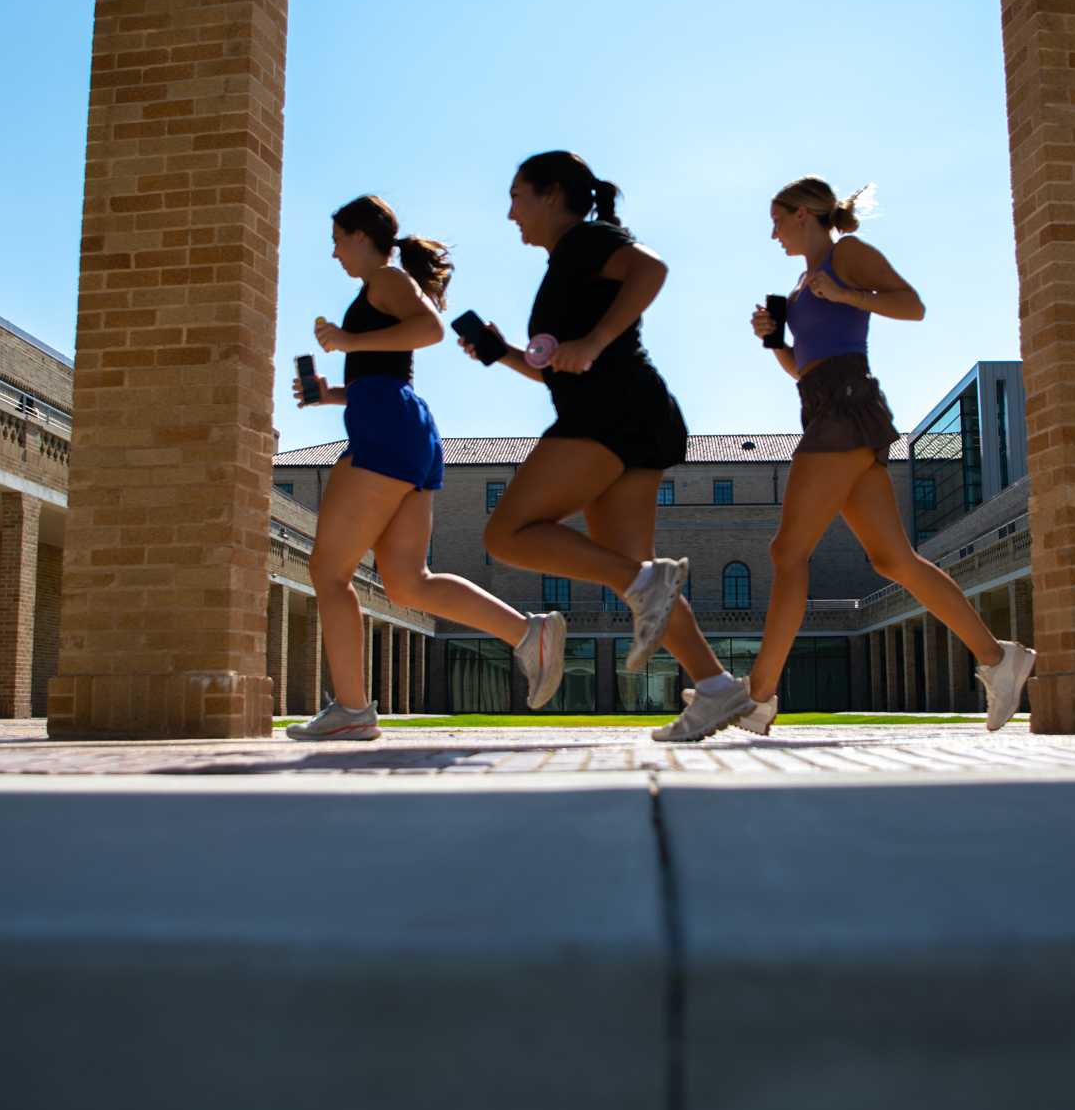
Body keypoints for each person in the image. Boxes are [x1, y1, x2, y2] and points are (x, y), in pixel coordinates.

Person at [462, 151, 756, 742]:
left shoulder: (586, 239)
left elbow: (652, 270)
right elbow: (562, 369)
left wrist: (595, 340)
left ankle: (648, 587)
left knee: (506, 534)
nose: (510, 211)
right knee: (639, 575)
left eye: (517, 195)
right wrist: (506, 357)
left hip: (608, 413)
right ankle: (718, 688)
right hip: (629, 412)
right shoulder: (565, 261)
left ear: (550, 195)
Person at [740, 176, 1036, 733]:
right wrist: (777, 342)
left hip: (847, 410)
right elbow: (804, 370)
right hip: (824, 402)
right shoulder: (802, 283)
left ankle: (758, 696)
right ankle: (1000, 659)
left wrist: (847, 294)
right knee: (893, 560)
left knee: (787, 551)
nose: (772, 231)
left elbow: (913, 306)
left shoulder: (847, 254)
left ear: (804, 213)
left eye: (777, 219)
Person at [288, 195, 565, 741]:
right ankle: (528, 633)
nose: (335, 252)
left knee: (328, 570)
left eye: (339, 239)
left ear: (364, 237)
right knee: (408, 583)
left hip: (388, 431)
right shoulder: (380, 288)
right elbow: (386, 374)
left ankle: (350, 708)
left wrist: (348, 340)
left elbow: (430, 330)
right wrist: (329, 394)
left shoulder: (386, 280)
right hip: (401, 426)